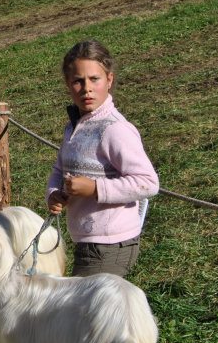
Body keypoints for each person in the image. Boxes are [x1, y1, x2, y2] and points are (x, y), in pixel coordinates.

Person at [46, 40, 159, 277]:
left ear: (109, 80)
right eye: (78, 81)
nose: (86, 88)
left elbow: (148, 182)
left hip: (111, 245)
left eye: (94, 79)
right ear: (68, 84)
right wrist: (55, 193)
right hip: (86, 241)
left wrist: (95, 189)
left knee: (84, 312)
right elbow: (59, 169)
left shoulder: (114, 129)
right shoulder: (75, 126)